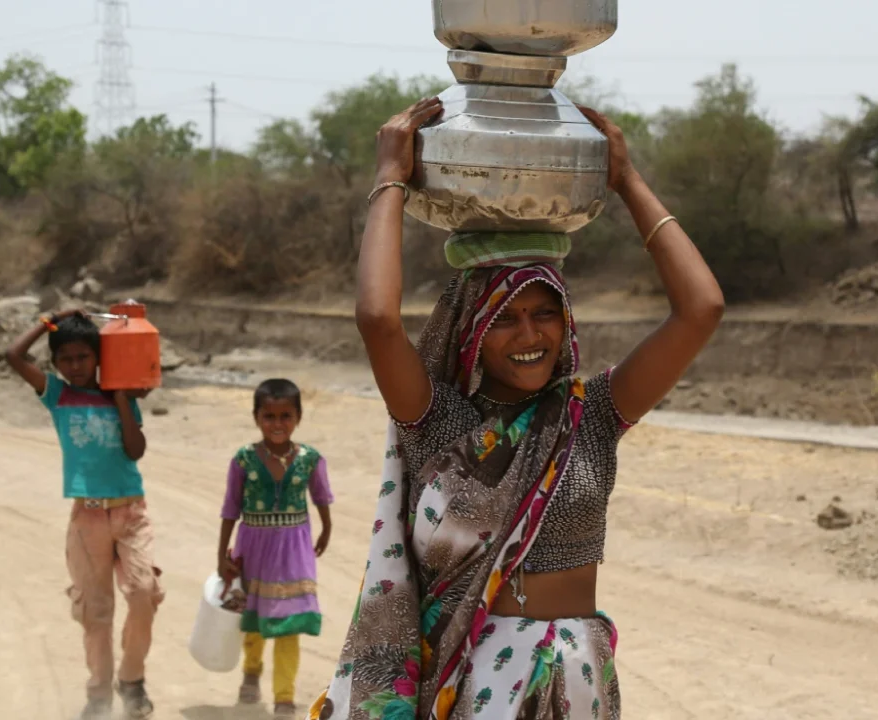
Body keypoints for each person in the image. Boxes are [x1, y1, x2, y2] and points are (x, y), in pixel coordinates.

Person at [310, 97, 723, 720]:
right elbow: (377, 319)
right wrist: (391, 178)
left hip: (579, 677)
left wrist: (626, 179)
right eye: (504, 318)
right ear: (471, 330)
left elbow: (702, 309)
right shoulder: (439, 424)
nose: (529, 335)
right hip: (480, 684)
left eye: (544, 312)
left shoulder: (594, 415)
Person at [5, 310, 163, 720]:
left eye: (83, 358)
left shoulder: (120, 392)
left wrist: (122, 400)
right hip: (87, 517)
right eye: (66, 359)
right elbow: (13, 354)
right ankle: (98, 694)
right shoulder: (57, 394)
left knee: (144, 593)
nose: (75, 367)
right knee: (95, 611)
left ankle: (132, 680)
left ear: (99, 356)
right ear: (56, 364)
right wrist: (48, 321)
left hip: (130, 511)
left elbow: (136, 450)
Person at [218, 378, 335, 718]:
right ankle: (251, 672)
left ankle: (285, 695)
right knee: (253, 618)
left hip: (294, 548)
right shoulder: (242, 460)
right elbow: (229, 509)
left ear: (298, 417)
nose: (278, 424)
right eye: (269, 416)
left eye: (286, 416)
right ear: (256, 418)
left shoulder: (311, 459)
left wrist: (327, 528)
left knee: (290, 621)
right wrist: (221, 555)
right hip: (252, 547)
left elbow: (321, 497)